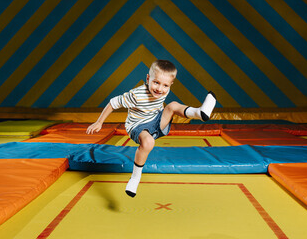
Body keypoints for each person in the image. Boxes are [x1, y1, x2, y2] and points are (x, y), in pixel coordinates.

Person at [86, 60, 216, 197]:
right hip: (137, 125)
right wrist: (99, 122)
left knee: (172, 105)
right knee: (148, 143)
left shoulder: (164, 90)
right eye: (156, 82)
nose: (160, 89)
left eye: (165, 85)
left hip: (156, 121)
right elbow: (113, 103)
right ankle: (135, 177)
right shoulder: (136, 95)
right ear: (148, 78)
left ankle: (200, 112)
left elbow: (166, 102)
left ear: (171, 84)